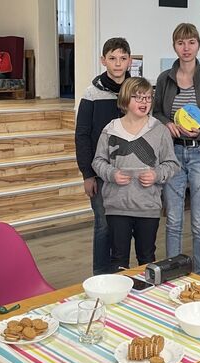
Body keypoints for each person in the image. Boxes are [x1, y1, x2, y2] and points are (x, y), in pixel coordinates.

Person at [153, 23, 200, 275]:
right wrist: (167, 124)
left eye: (191, 42)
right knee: (173, 220)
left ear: (198, 44)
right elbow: (156, 112)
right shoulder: (165, 79)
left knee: (199, 222)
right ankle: (172, 272)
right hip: (173, 154)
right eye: (180, 43)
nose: (186, 48)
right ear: (174, 45)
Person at [91, 77, 179, 270]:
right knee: (118, 260)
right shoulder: (110, 129)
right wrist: (111, 174)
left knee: (147, 257)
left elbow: (172, 164)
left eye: (148, 98)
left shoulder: (160, 131)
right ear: (124, 100)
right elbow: (97, 161)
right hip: (117, 207)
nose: (144, 102)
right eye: (138, 98)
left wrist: (156, 175)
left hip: (148, 207)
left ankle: (146, 297)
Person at [75, 37, 132, 275]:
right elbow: (82, 135)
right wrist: (87, 174)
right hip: (101, 174)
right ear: (103, 61)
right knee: (104, 226)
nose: (118, 64)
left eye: (122, 58)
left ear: (129, 61)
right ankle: (100, 276)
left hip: (131, 173)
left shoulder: (137, 91)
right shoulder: (92, 93)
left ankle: (123, 274)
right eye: (112, 58)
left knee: (126, 226)